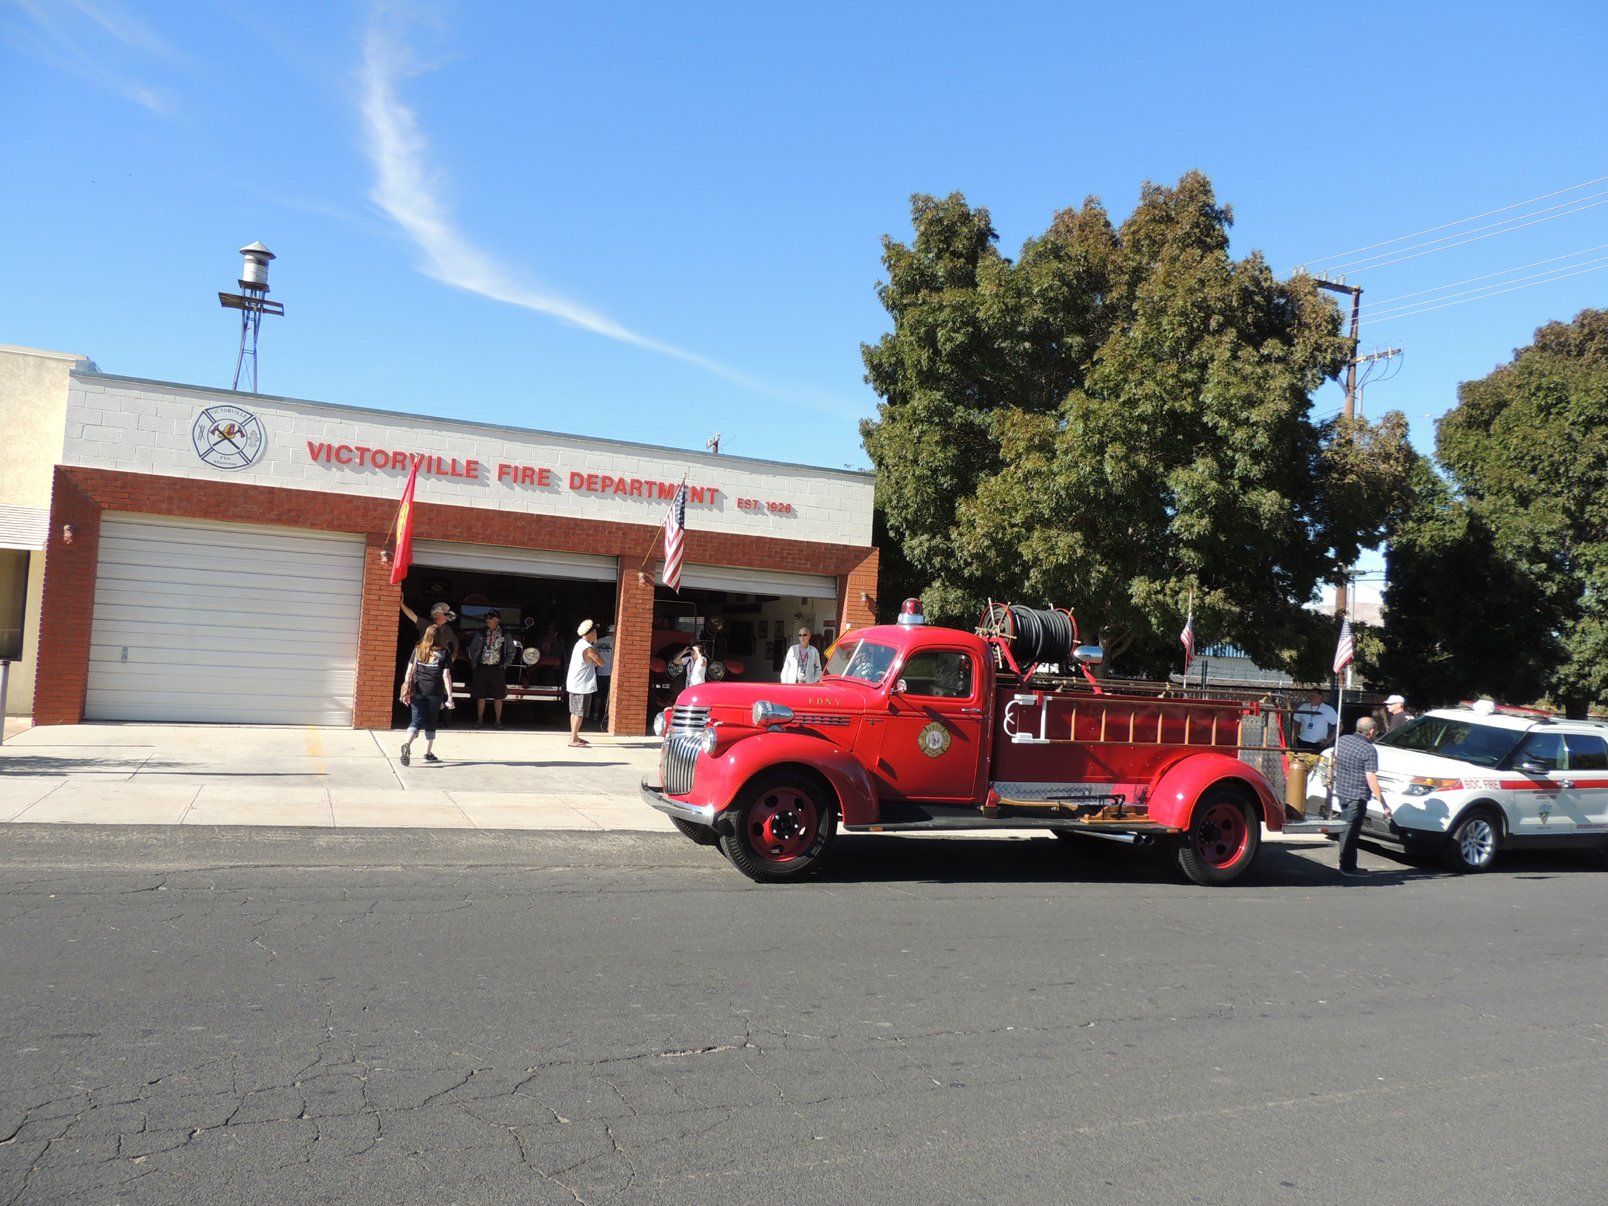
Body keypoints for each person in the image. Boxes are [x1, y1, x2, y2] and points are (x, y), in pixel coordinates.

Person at [1331, 716, 1385, 878]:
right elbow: (1371, 777)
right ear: (1371, 731)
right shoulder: (1369, 750)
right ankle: (1347, 867)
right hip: (1357, 795)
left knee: (1346, 828)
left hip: (1342, 790)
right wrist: (1383, 802)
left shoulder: (1344, 740)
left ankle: (1345, 862)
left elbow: (1335, 760)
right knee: (1351, 832)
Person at [399, 623, 454, 766]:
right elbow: (446, 675)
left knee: (416, 720)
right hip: (434, 691)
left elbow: (409, 671)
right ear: (439, 637)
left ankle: (407, 744)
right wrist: (450, 696)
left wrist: (406, 691)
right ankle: (427, 754)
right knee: (431, 721)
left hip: (417, 690)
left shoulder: (418, 649)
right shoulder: (444, 652)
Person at [468, 609, 515, 728]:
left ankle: (498, 721)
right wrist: (475, 662)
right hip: (482, 668)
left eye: (490, 618)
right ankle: (479, 720)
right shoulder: (481, 632)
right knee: (480, 695)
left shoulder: (505, 634)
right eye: (487, 618)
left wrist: (505, 664)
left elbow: (511, 651)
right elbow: (472, 649)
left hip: (498, 669)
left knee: (498, 696)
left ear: (497, 620)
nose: (487, 620)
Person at [566, 619, 605, 748]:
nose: (596, 634)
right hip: (582, 685)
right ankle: (573, 739)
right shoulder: (589, 648)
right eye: (594, 631)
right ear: (590, 633)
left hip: (575, 683)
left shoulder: (579, 644)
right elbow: (601, 662)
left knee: (574, 712)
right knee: (579, 713)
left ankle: (574, 735)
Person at [592, 625, 615, 730]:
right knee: (608, 696)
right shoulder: (615, 641)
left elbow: (593, 655)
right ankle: (606, 717)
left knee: (598, 695)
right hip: (611, 673)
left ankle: (595, 714)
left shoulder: (598, 641)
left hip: (599, 672)